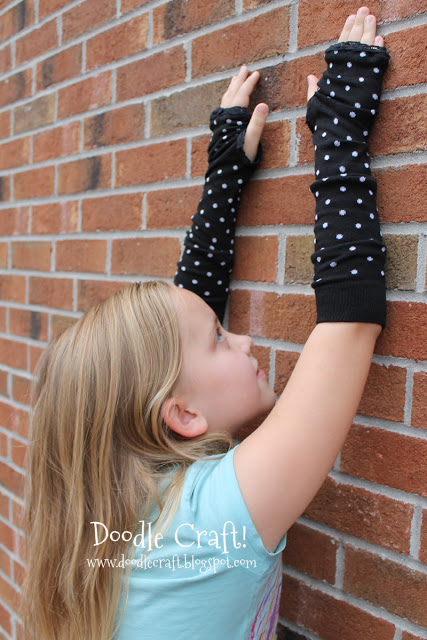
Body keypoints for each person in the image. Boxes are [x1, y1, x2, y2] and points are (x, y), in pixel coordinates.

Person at [20, 6, 390, 640]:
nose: (241, 336)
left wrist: (225, 171)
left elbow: (182, 328)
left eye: (226, 333)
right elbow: (347, 322)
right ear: (181, 417)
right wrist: (339, 128)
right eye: (223, 340)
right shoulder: (212, 524)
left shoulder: (120, 506)